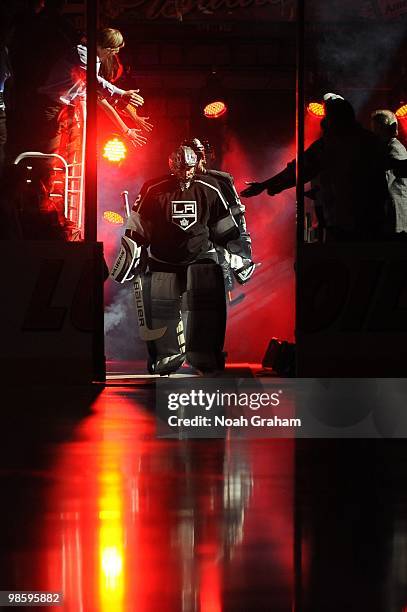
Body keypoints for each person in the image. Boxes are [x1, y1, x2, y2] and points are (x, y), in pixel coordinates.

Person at [110, 145, 240, 375]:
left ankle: (205, 354)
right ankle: (166, 354)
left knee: (206, 309)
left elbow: (225, 225)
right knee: (163, 308)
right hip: (163, 259)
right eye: (182, 168)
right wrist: (132, 253)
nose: (186, 173)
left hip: (201, 258)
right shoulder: (153, 188)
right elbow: (138, 226)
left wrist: (237, 252)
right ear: (173, 166)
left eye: (190, 168)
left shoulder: (210, 188)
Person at [241, 95, 388, 242]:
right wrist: (274, 185)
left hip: (345, 221)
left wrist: (267, 185)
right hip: (372, 219)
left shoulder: (331, 145)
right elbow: (302, 169)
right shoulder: (371, 141)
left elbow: (300, 169)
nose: (324, 121)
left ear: (336, 119)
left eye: (328, 117)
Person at [183, 138, 255, 289]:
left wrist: (241, 251)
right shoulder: (176, 183)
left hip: (217, 245)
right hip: (187, 247)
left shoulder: (221, 180)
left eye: (197, 155)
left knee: (219, 288)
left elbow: (237, 215)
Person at [371, 109, 407, 238]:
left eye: (376, 128)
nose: (374, 132)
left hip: (396, 211)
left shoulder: (394, 148)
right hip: (392, 210)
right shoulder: (388, 147)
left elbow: (386, 180)